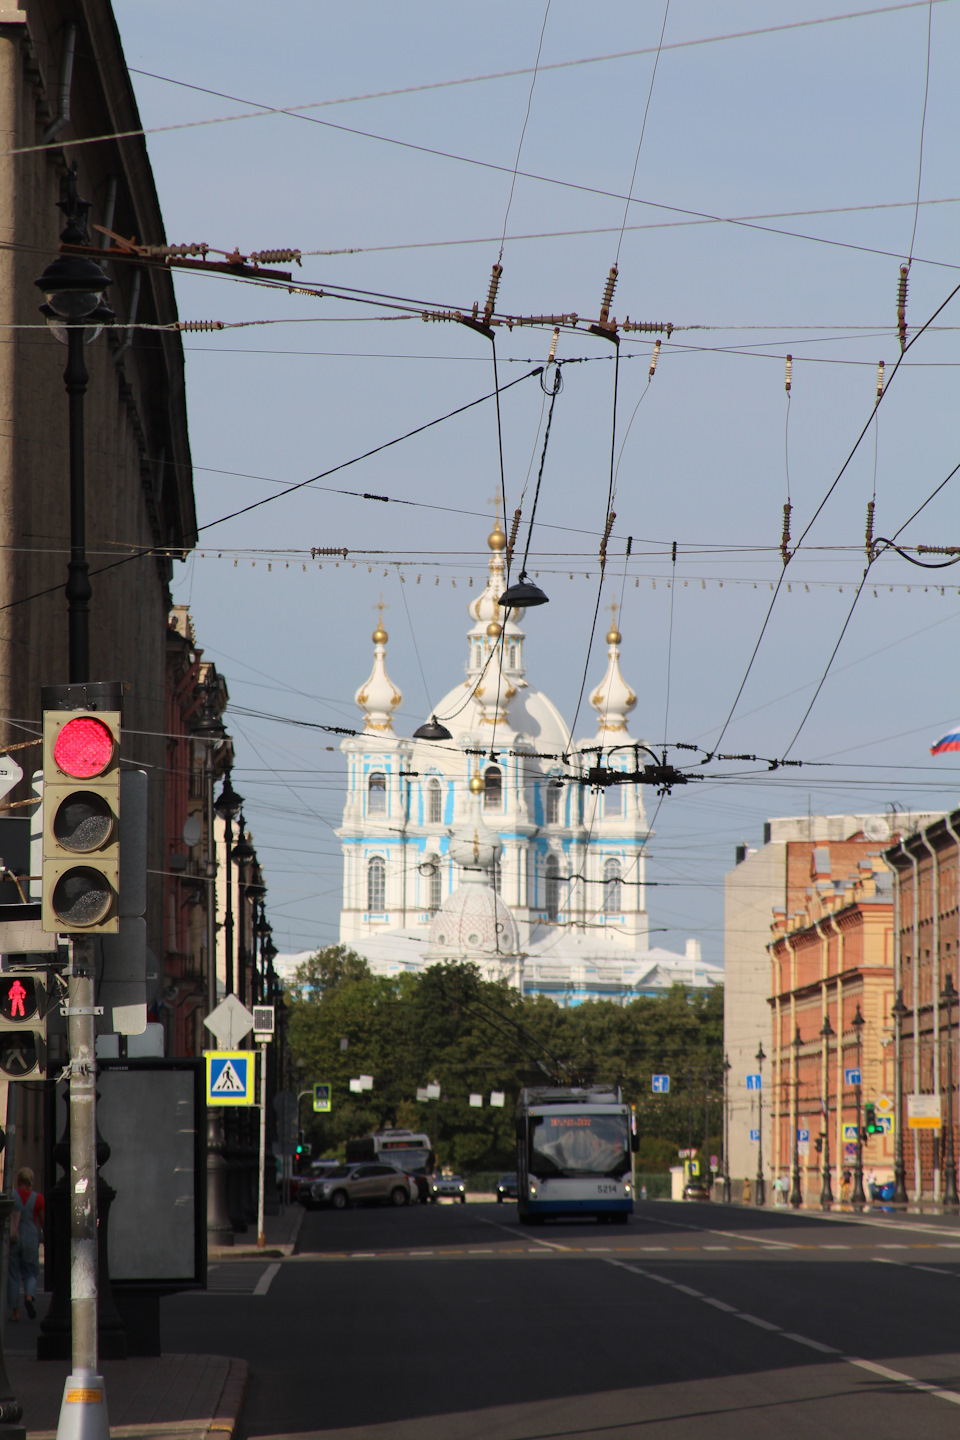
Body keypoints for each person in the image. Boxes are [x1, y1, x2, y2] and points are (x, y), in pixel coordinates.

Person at [9, 1166, 43, 1321]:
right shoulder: (38, 1199)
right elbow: (42, 1221)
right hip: (31, 1238)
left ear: (18, 1180)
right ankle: (29, 1297)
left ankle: (15, 1311)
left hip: (13, 1238)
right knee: (30, 1272)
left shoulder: (11, 1196)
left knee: (13, 1274)